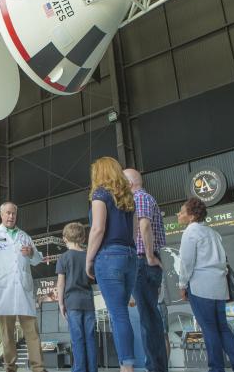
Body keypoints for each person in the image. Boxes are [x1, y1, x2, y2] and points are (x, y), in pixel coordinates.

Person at [0, 203, 46, 372]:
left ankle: (38, 367)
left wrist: (31, 253)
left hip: (23, 290)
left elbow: (37, 259)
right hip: (3, 290)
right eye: (8, 213)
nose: (11, 216)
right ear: (1, 215)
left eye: (14, 214)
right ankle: (10, 367)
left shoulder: (24, 236)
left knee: (32, 331)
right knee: (7, 333)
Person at [177, 197, 234, 372]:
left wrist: (182, 285)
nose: (179, 214)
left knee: (209, 329)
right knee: (223, 328)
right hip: (219, 287)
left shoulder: (190, 232)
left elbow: (186, 263)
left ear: (192, 216)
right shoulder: (213, 233)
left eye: (182, 211)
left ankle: (216, 369)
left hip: (201, 287)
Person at [86, 157, 138, 372]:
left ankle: (127, 368)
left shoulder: (100, 194)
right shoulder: (129, 198)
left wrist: (89, 259)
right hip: (130, 256)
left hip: (109, 256)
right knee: (122, 315)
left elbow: (97, 229)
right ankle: (128, 365)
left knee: (118, 315)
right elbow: (134, 231)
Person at [123, 168, 168, 372]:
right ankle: (157, 366)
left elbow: (145, 226)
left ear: (130, 184)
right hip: (144, 262)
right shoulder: (144, 198)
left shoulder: (139, 198)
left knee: (148, 319)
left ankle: (155, 368)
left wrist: (149, 256)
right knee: (149, 317)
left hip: (143, 262)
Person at [56, 222, 96, 372]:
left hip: (72, 303)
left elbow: (61, 283)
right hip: (88, 302)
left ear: (65, 238)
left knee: (77, 339)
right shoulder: (89, 257)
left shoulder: (63, 258)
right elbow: (93, 278)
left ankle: (79, 369)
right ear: (83, 238)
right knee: (90, 338)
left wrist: (61, 303)